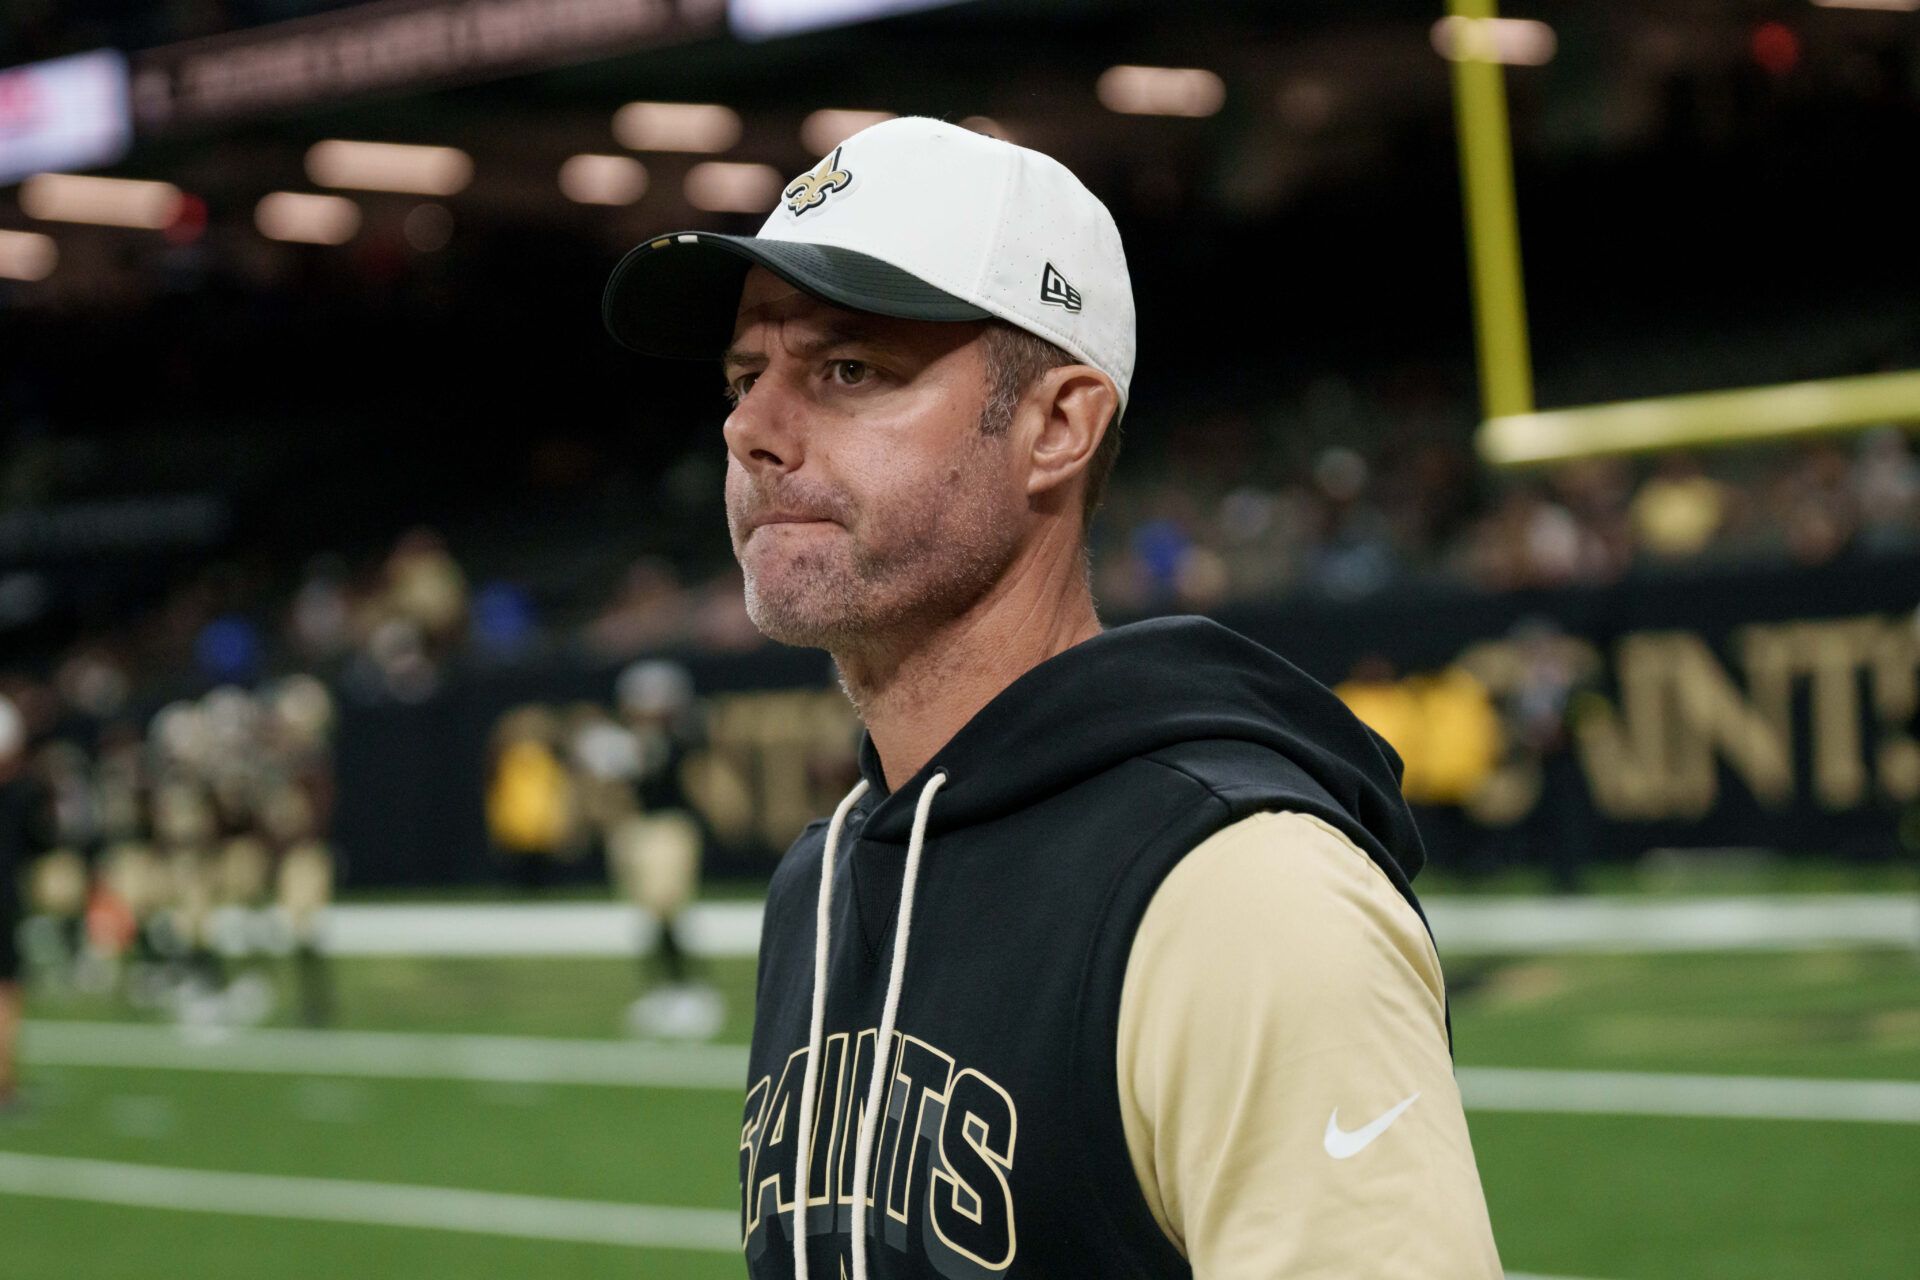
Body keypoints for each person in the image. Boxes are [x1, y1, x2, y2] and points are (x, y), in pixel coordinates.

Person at [604, 117, 1501, 1279]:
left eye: (847, 369)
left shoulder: (1245, 894)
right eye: (742, 377)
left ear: (1058, 426)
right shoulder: (818, 882)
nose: (750, 429)